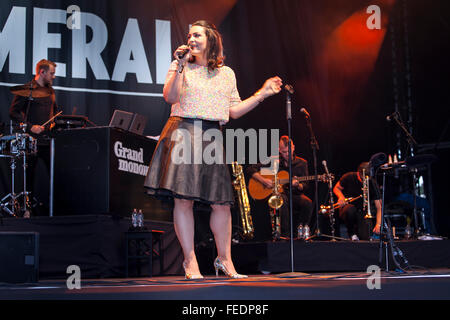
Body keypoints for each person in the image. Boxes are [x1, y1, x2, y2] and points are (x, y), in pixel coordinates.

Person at [144, 20, 283, 279]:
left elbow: (233, 111)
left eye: (196, 34)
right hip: (183, 130)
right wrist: (181, 66)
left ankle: (225, 260)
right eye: (189, 35)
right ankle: (189, 261)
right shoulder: (179, 65)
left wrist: (262, 93)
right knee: (183, 199)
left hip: (212, 136)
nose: (191, 38)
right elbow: (171, 98)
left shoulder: (226, 73)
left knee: (222, 203)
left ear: (211, 38)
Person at [9, 59, 58, 216]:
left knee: (57, 173)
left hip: (49, 140)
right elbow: (13, 112)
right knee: (29, 176)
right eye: (51, 73)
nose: (53, 76)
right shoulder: (27, 90)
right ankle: (27, 209)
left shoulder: (51, 91)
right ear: (42, 72)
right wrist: (30, 127)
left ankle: (56, 208)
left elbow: (54, 112)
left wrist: (54, 123)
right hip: (32, 140)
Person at [247, 136, 313, 238]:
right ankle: (285, 236)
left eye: (289, 151)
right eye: (284, 152)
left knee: (307, 203)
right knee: (282, 200)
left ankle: (299, 233)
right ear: (279, 150)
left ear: (294, 147)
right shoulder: (274, 160)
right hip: (278, 194)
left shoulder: (302, 163)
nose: (287, 154)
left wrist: (298, 185)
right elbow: (251, 169)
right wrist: (264, 181)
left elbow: (305, 186)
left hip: (294, 194)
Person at [333, 162, 382, 241]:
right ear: (358, 173)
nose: (365, 181)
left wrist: (378, 224)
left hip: (362, 212)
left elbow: (379, 207)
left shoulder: (373, 183)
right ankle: (352, 233)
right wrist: (341, 197)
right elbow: (336, 188)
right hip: (347, 208)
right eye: (363, 178)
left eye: (368, 178)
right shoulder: (349, 177)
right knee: (350, 210)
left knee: (366, 237)